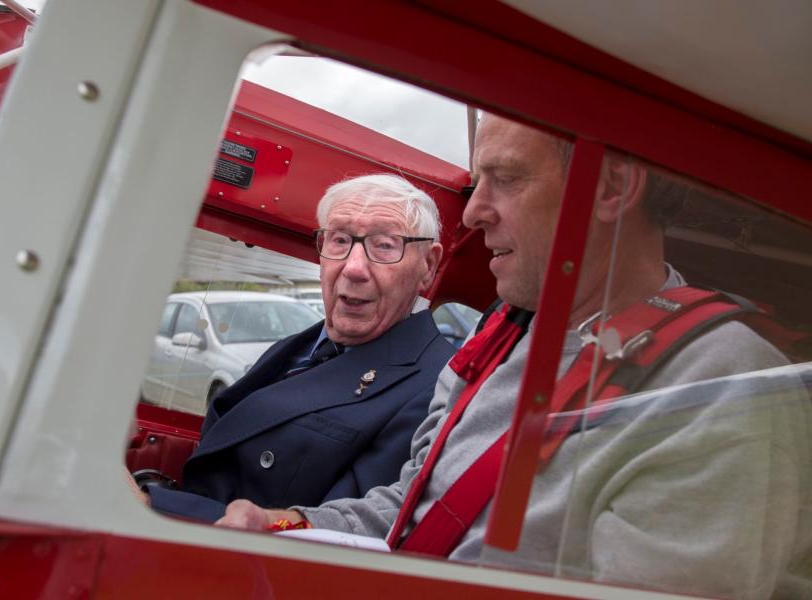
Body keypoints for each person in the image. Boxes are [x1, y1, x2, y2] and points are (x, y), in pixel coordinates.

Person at [216, 115, 812, 599]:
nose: (474, 213)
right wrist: (287, 525)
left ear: (612, 187)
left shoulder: (724, 390)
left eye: (506, 178)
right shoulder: (499, 340)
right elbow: (406, 515)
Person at [144, 173, 456, 522]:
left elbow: (333, 532)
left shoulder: (436, 388)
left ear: (427, 266)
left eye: (384, 245)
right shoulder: (302, 345)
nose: (353, 268)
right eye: (339, 240)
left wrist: (153, 506)